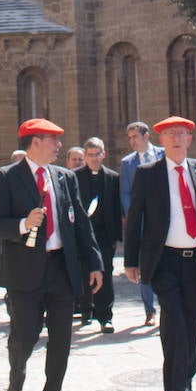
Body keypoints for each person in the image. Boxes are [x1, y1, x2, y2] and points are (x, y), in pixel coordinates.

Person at [0, 118, 102, 391]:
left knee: (62, 340)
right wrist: (24, 224)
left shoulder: (64, 177)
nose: (59, 146)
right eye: (53, 140)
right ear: (34, 142)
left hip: (61, 269)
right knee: (24, 338)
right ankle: (17, 373)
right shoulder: (7, 177)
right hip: (24, 273)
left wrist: (94, 263)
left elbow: (80, 222)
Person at [124, 116, 196, 391]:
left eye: (182, 134)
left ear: (190, 139)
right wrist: (130, 260)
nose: (176, 138)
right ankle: (178, 389)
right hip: (164, 260)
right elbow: (135, 217)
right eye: (170, 134)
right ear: (161, 140)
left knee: (191, 323)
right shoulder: (147, 173)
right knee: (175, 322)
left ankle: (186, 382)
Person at [75, 137, 123, 333]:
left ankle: (105, 316)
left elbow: (116, 208)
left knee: (106, 274)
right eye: (90, 155)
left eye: (98, 155)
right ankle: (86, 309)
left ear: (104, 154)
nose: (94, 159)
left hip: (104, 234)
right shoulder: (75, 177)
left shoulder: (112, 177)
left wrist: (117, 238)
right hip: (83, 234)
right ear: (85, 156)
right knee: (84, 271)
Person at [120, 120, 163, 327]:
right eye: (129, 138)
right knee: (145, 265)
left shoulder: (164, 155)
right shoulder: (128, 163)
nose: (131, 141)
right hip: (143, 221)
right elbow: (126, 192)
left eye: (134, 136)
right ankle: (149, 310)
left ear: (146, 136)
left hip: (165, 219)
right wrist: (134, 214)